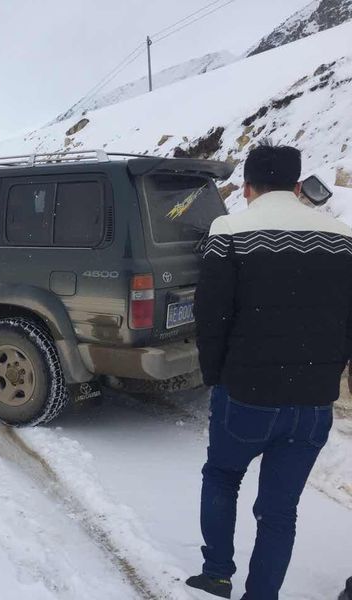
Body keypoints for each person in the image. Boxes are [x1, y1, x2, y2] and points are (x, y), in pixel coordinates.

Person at [187, 143, 352, 600]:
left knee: (222, 475)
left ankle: (217, 573)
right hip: (314, 402)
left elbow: (212, 315)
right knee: (280, 511)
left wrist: (214, 376)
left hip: (246, 393)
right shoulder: (342, 236)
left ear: (248, 187)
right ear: (298, 185)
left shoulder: (230, 230)